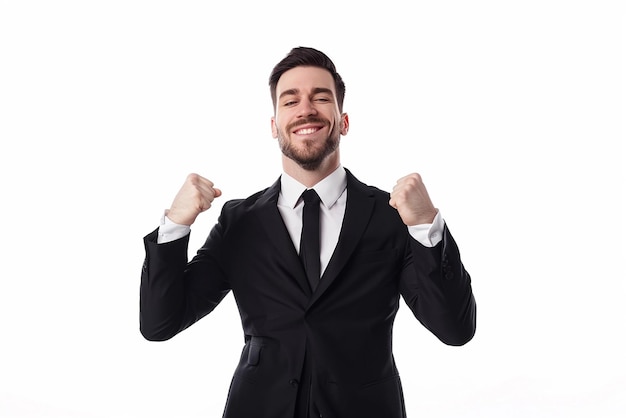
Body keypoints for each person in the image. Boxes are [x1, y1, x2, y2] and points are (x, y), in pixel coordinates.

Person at [140, 46, 476, 418]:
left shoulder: (390, 216)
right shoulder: (239, 221)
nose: (305, 109)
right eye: (290, 101)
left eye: (320, 97)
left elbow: (455, 329)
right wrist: (175, 225)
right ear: (274, 126)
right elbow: (159, 323)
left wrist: (425, 224)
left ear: (344, 121)